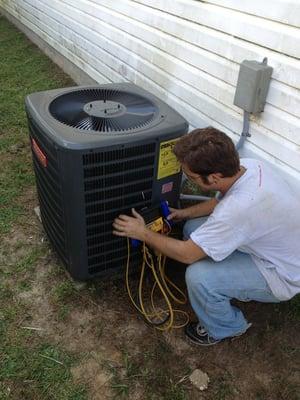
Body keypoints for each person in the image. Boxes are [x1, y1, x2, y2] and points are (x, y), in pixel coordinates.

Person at [113, 127, 300, 346]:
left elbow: (187, 255)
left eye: (191, 177)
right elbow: (219, 201)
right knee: (192, 227)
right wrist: (184, 213)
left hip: (281, 273)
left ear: (214, 177)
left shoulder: (237, 211)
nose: (189, 180)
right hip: (275, 244)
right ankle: (220, 279)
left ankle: (228, 327)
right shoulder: (249, 167)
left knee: (199, 277)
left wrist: (142, 233)